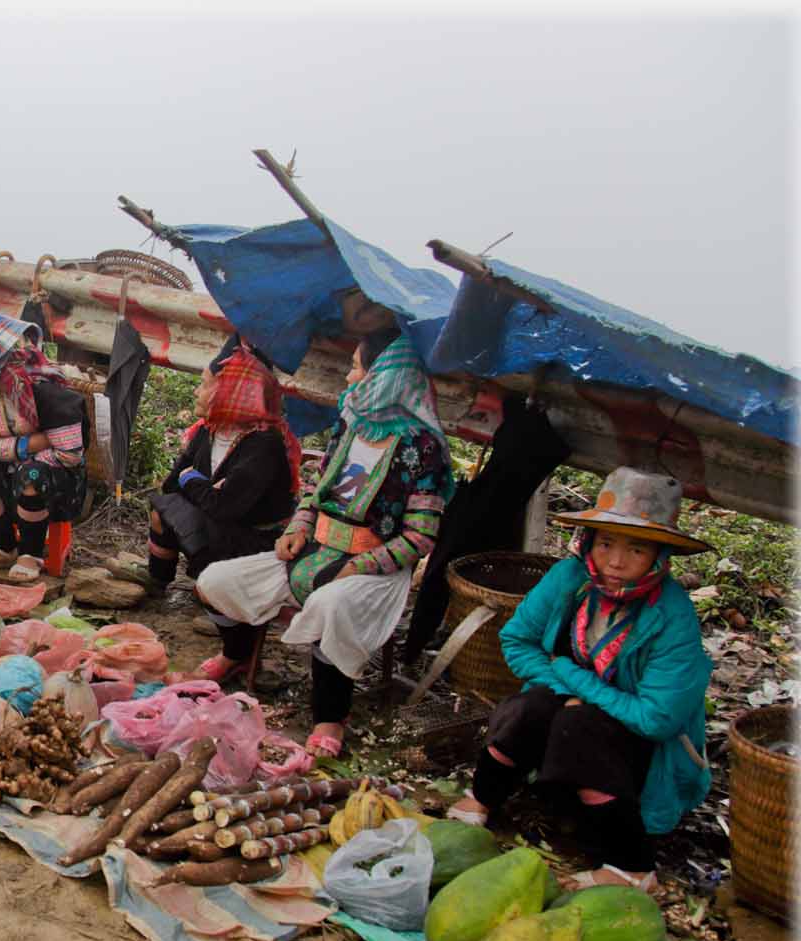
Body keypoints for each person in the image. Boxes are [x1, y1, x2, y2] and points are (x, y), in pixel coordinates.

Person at [447, 468, 713, 893]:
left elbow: (657, 718)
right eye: (606, 542)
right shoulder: (570, 579)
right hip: (579, 707)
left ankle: (632, 866)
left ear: (659, 556)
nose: (615, 561)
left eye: (636, 548)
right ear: (589, 541)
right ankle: (483, 797)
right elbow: (516, 641)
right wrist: (572, 691)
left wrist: (572, 677)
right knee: (527, 710)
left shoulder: (673, 616)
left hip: (639, 743)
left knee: (580, 727)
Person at [196, 329, 454, 757]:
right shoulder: (350, 427)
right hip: (314, 553)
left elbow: (421, 536)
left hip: (376, 568)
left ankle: (330, 716)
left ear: (383, 377)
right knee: (214, 580)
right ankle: (237, 652)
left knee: (331, 607)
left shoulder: (423, 449)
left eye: (356, 367)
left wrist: (363, 565)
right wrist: (296, 529)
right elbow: (316, 494)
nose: (350, 378)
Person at [144, 336, 302, 683]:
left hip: (257, 540)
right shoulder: (208, 432)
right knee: (162, 508)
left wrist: (195, 482)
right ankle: (156, 583)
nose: (197, 393)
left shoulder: (263, 445)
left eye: (204, 385)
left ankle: (237, 654)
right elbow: (174, 483)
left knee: (208, 565)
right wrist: (202, 486)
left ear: (228, 393)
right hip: (223, 523)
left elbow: (226, 506)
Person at [0, 313, 88, 582]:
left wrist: (19, 459)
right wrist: (25, 445)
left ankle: (31, 553)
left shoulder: (51, 393)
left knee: (31, 474)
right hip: (9, 470)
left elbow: (69, 456)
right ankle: (3, 546)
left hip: (59, 485)